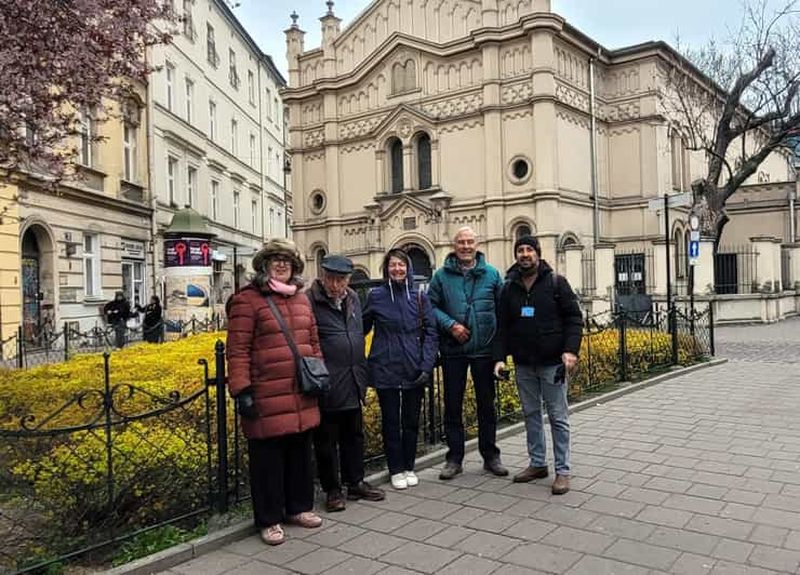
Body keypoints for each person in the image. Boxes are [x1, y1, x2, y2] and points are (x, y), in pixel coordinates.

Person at [226, 238, 323, 546]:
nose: (282, 264)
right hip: (266, 392)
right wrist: (241, 389)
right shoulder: (248, 300)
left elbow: (313, 340)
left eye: (287, 260)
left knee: (298, 454)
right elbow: (237, 349)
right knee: (267, 460)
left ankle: (298, 508)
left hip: (300, 391)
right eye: (275, 259)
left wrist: (318, 371)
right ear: (265, 265)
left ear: (294, 266)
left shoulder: (301, 299)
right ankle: (269, 519)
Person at [493, 235, 583, 495]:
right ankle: (537, 463)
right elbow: (503, 327)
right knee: (531, 415)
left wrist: (570, 351)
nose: (524, 254)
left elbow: (573, 319)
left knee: (557, 417)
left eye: (529, 250)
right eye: (520, 250)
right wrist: (499, 358)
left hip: (552, 364)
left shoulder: (556, 283)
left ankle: (563, 471)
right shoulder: (509, 287)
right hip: (524, 365)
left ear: (538, 254)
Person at [427, 226, 508, 480]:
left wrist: (500, 353)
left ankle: (491, 456)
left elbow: (503, 310)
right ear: (454, 246)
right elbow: (430, 306)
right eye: (461, 242)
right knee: (453, 406)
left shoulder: (493, 274)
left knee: (487, 406)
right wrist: (450, 325)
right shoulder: (440, 276)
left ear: (477, 244)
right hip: (454, 350)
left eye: (469, 241)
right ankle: (454, 458)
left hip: (484, 350)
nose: (465, 246)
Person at [307, 254, 385, 512]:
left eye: (341, 279)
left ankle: (356, 482)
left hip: (353, 379)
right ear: (323, 276)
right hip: (328, 381)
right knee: (327, 441)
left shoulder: (352, 298)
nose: (336, 285)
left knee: (354, 436)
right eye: (331, 278)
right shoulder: (311, 301)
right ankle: (332, 490)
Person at [363, 249, 439, 490]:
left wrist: (426, 365)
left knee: (410, 420)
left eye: (402, 265)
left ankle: (409, 466)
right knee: (391, 421)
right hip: (385, 366)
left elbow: (431, 332)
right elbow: (361, 329)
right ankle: (395, 468)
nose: (397, 269)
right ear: (386, 268)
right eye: (393, 265)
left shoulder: (419, 297)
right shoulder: (376, 296)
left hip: (413, 367)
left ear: (408, 269)